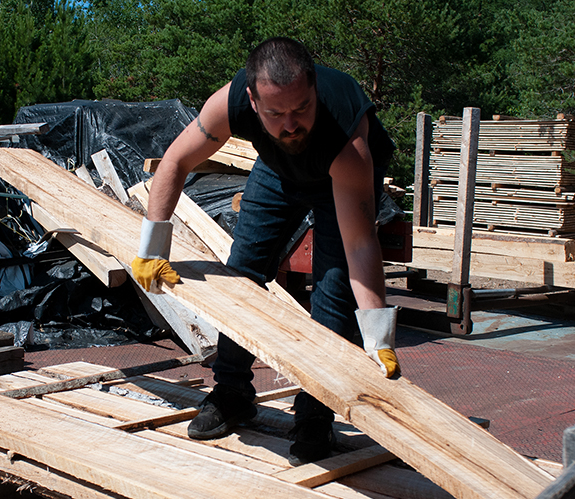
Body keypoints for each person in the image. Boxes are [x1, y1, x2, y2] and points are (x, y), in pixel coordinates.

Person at [131, 37, 400, 465]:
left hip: (338, 180)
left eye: (301, 109)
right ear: (253, 101)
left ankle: (315, 415)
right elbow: (175, 162)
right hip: (277, 171)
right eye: (276, 114)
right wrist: (151, 248)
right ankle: (232, 391)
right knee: (242, 276)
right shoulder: (230, 102)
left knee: (332, 299)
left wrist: (378, 335)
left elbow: (360, 242)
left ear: (314, 90)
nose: (291, 124)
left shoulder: (346, 139)